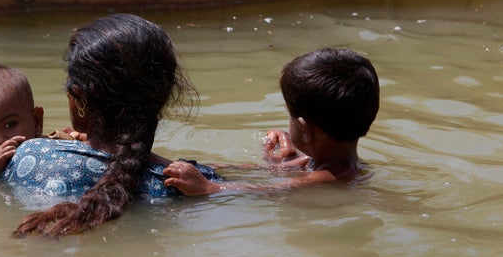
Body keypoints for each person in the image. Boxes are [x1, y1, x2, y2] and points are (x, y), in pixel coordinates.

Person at [6, 13, 219, 237]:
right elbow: (255, 194)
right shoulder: (184, 185)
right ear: (163, 99)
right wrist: (212, 188)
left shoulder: (30, 156)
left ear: (78, 98)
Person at [162, 48, 380, 194]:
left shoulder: (332, 176)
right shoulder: (324, 160)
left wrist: (208, 188)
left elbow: (266, 191)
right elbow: (266, 170)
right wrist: (280, 152)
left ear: (305, 129)